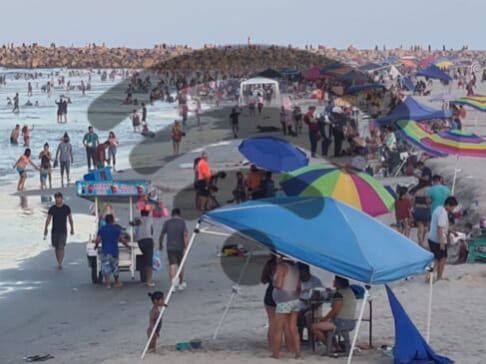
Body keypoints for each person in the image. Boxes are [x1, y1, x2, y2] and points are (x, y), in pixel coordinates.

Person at [312, 276, 357, 354]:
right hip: (351, 321)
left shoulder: (339, 294)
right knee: (325, 323)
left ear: (338, 283)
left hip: (341, 322)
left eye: (335, 281)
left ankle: (331, 347)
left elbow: (335, 310)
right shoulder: (349, 291)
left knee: (314, 327)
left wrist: (325, 318)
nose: (333, 282)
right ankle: (336, 346)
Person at [270, 257, 301, 359]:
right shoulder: (296, 267)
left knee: (278, 328)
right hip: (295, 299)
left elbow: (279, 284)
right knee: (293, 328)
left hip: (284, 300)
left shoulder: (282, 266)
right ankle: (297, 353)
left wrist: (273, 282)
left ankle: (276, 353)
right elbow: (298, 286)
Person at [94, 214, 130, 288]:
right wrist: (127, 245)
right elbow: (122, 239)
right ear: (113, 220)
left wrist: (96, 246)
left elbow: (97, 240)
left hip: (105, 251)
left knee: (106, 267)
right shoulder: (116, 229)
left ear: (105, 221)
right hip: (114, 251)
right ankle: (116, 282)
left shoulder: (102, 229)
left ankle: (108, 284)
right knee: (115, 267)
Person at [427, 196, 459, 281]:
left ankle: (428, 276)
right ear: (448, 205)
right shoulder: (443, 213)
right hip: (438, 240)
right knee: (442, 258)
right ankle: (439, 277)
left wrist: (451, 231)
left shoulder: (438, 209)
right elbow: (440, 228)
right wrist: (442, 242)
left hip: (431, 238)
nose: (453, 209)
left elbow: (442, 226)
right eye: (453, 207)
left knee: (435, 259)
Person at [159, 208, 189, 291]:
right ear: (179, 214)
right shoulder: (182, 223)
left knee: (172, 265)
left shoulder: (167, 223)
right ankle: (180, 283)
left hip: (170, 247)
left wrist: (160, 244)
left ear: (172, 214)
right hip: (180, 247)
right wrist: (186, 247)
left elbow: (162, 235)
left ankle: (173, 285)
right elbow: (185, 235)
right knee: (180, 265)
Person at [43, 192, 74, 270]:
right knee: (56, 247)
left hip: (63, 231)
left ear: (61, 198)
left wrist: (72, 228)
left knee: (61, 247)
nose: (57, 200)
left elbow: (70, 219)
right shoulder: (52, 208)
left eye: (58, 198)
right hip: (54, 231)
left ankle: (60, 263)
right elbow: (48, 219)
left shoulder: (66, 208)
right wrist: (45, 228)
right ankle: (58, 261)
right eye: (56, 198)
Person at [297, 263, 323, 342]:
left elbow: (321, 296)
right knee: (296, 316)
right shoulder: (295, 280)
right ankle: (299, 339)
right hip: (298, 306)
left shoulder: (316, 281)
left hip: (312, 307)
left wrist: (311, 303)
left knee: (309, 316)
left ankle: (311, 340)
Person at [133, 207, 155, 287]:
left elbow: (133, 223)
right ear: (148, 213)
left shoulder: (138, 219)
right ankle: (148, 281)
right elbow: (152, 231)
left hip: (140, 241)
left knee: (142, 259)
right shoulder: (150, 220)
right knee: (149, 262)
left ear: (141, 213)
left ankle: (143, 277)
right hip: (148, 240)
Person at [261, 254, 277, 350]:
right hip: (281, 293)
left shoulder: (268, 265)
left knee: (272, 322)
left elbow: (263, 280)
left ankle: (271, 346)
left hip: (270, 292)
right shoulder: (284, 265)